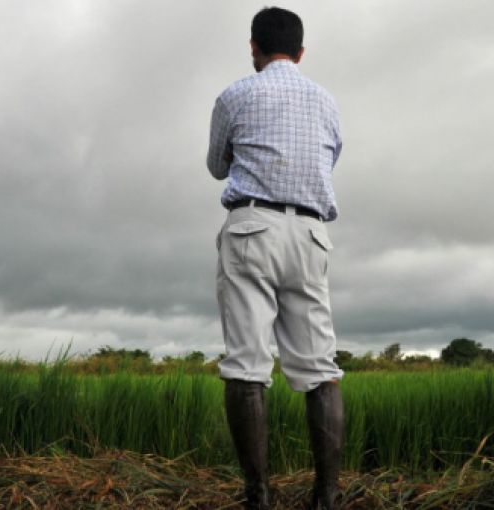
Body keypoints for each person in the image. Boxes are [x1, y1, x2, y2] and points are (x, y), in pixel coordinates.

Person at [206, 7, 344, 510]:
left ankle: (257, 497)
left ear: (253, 47)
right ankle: (326, 498)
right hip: (310, 231)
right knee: (319, 367)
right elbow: (328, 159)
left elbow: (216, 165)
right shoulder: (326, 102)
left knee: (246, 364)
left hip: (252, 226)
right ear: (301, 51)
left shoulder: (236, 94)